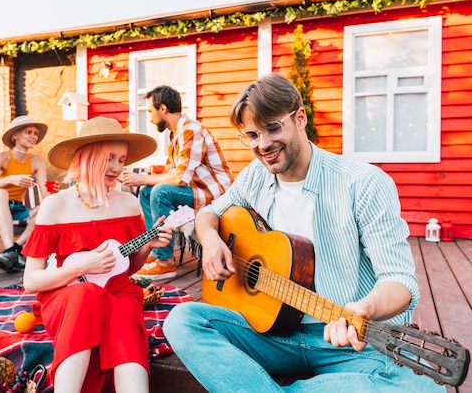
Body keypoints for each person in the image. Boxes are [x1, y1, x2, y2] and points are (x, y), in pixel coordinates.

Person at [163, 73, 444, 392]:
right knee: (182, 320)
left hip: (348, 343)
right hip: (270, 333)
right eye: (252, 135)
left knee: (422, 388)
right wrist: (211, 240)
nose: (263, 144)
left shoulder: (364, 183)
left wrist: (363, 308)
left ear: (300, 118)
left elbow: (400, 282)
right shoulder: (255, 176)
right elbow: (209, 213)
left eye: (272, 128)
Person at [22, 117, 174, 393]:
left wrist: (147, 247)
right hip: (67, 295)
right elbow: (31, 281)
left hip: (117, 292)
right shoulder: (55, 206)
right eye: (110, 158)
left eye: (122, 160)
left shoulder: (128, 204)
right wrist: (78, 267)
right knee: (87, 294)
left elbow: (124, 269)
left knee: (123, 314)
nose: (117, 168)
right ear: (86, 158)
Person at [120, 85, 233, 280]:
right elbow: (170, 172)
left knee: (160, 192)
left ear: (162, 109)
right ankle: (155, 250)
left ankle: (165, 262)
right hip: (197, 190)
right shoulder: (175, 136)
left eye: (150, 111)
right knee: (148, 192)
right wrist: (146, 179)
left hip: (216, 195)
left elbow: (179, 178)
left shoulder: (191, 130)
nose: (149, 117)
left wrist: (142, 178)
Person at [0, 115, 51, 273]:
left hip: (19, 210)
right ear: (15, 135)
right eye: (28, 132)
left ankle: (14, 250)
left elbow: (45, 195)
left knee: (48, 206)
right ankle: (10, 249)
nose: (33, 137)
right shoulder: (2, 157)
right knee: (0, 193)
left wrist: (54, 194)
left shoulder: (37, 161)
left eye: (35, 133)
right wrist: (10, 179)